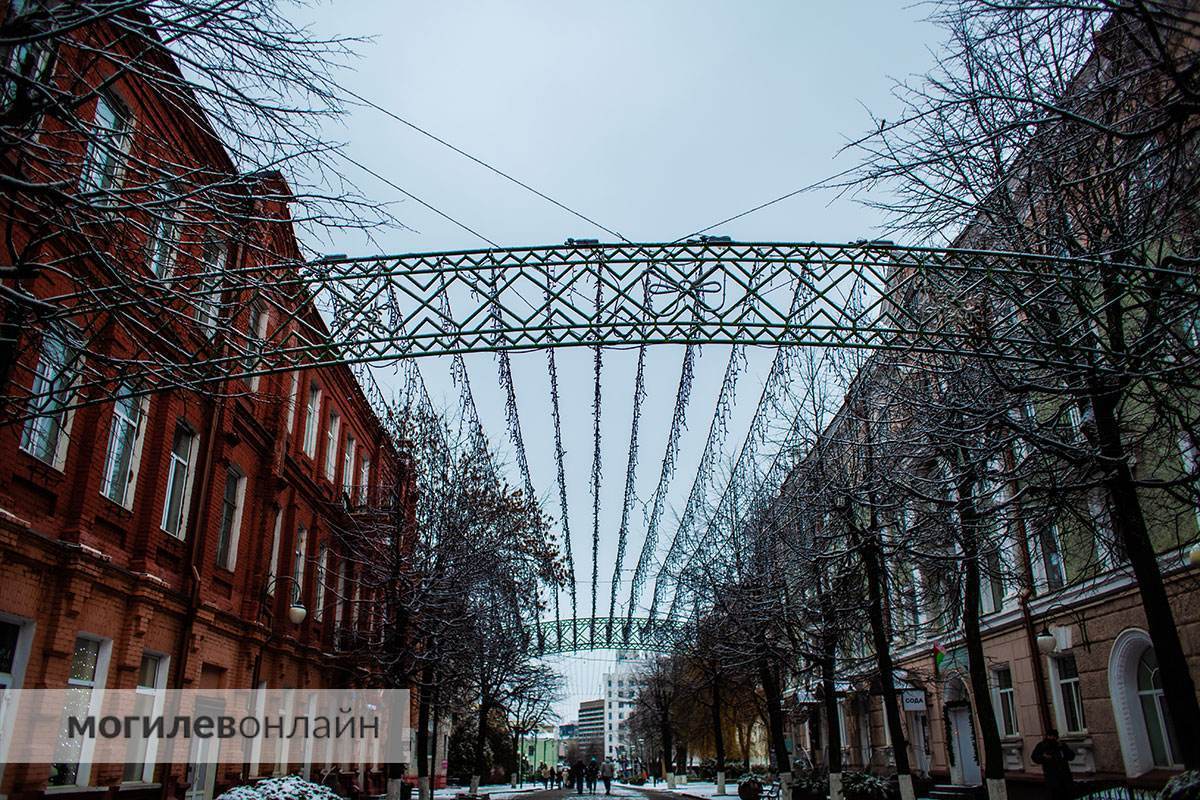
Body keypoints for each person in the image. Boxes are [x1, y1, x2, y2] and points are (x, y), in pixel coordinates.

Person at [1031, 728, 1077, 800]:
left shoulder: (1061, 746)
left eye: (1054, 736)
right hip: (1052, 778)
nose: (1052, 738)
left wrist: (1063, 750)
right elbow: (1034, 757)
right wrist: (1044, 757)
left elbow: (1071, 756)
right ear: (1047, 736)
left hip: (1065, 778)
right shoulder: (1042, 746)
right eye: (1050, 736)